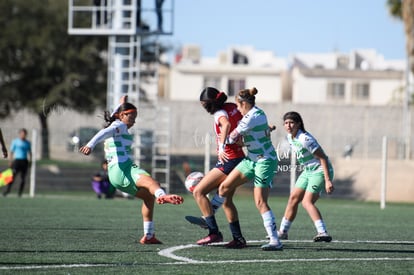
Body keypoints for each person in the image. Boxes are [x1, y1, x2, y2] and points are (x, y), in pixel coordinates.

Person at [79, 95, 184, 244]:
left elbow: (114, 118)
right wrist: (90, 145)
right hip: (123, 168)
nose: (134, 120)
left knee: (148, 197)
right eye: (132, 116)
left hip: (116, 174)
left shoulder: (117, 123)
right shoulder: (119, 126)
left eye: (135, 117)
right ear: (122, 115)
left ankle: (148, 235)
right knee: (152, 182)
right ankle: (162, 196)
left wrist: (121, 104)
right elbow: (103, 133)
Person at [209, 87, 283, 251]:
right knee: (224, 186)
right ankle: (209, 217)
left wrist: (220, 140)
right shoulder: (257, 113)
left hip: (265, 161)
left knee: (260, 201)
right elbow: (248, 138)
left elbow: (231, 139)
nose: (237, 110)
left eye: (237, 106)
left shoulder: (249, 118)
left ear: (243, 103)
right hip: (252, 159)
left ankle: (275, 240)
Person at [189, 87, 247, 248]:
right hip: (239, 157)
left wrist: (221, 147)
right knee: (227, 201)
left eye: (204, 105)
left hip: (229, 159)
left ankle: (213, 232)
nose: (204, 108)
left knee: (199, 191)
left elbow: (226, 124)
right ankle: (238, 239)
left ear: (211, 103)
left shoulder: (219, 113)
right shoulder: (233, 107)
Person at [278, 111, 334, 242]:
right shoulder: (290, 137)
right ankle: (283, 232)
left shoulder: (305, 139)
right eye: (286, 123)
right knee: (293, 198)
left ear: (298, 124)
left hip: (320, 170)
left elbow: (323, 158)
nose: (288, 125)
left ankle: (323, 232)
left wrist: (327, 180)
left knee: (306, 202)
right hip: (308, 171)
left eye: (291, 122)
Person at [3, 128, 32, 197]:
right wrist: (10, 161)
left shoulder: (28, 143)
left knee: (23, 178)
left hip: (24, 161)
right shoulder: (15, 141)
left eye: (24, 134)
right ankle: (8, 190)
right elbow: (12, 152)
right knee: (12, 176)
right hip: (17, 161)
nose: (23, 135)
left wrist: (30, 161)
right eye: (22, 134)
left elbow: (30, 153)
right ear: (19, 134)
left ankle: (20, 193)